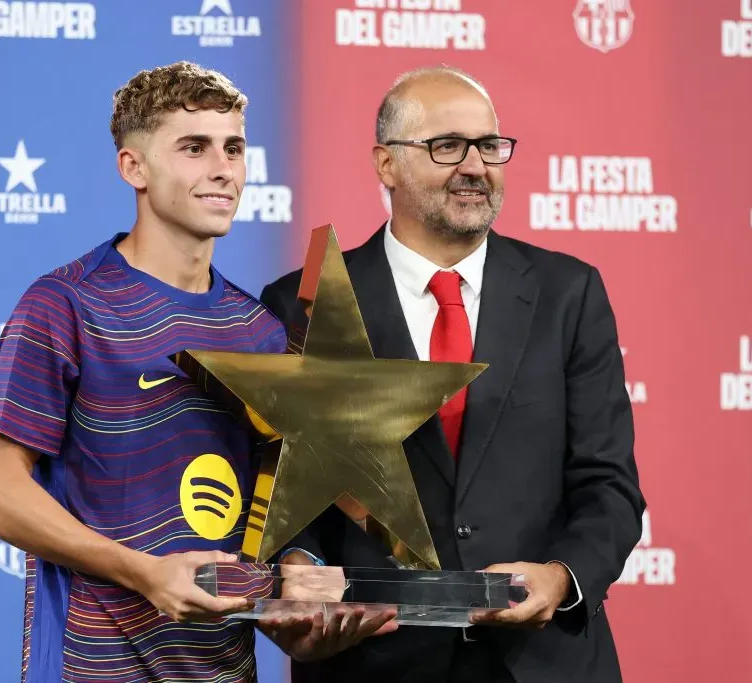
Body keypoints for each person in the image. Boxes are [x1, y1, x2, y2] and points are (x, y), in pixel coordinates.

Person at [0, 61, 390, 683]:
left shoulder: (261, 332)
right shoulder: (67, 303)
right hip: (91, 668)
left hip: (224, 669)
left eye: (234, 149)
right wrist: (145, 573)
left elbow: (275, 510)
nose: (223, 169)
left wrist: (296, 594)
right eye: (194, 148)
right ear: (133, 167)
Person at [260, 67, 647, 682]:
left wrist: (561, 577)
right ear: (386, 164)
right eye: (447, 146)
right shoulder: (306, 300)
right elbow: (284, 489)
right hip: (373, 662)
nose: (475, 166)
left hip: (542, 662)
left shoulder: (568, 293)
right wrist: (299, 567)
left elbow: (609, 483)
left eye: (489, 146)